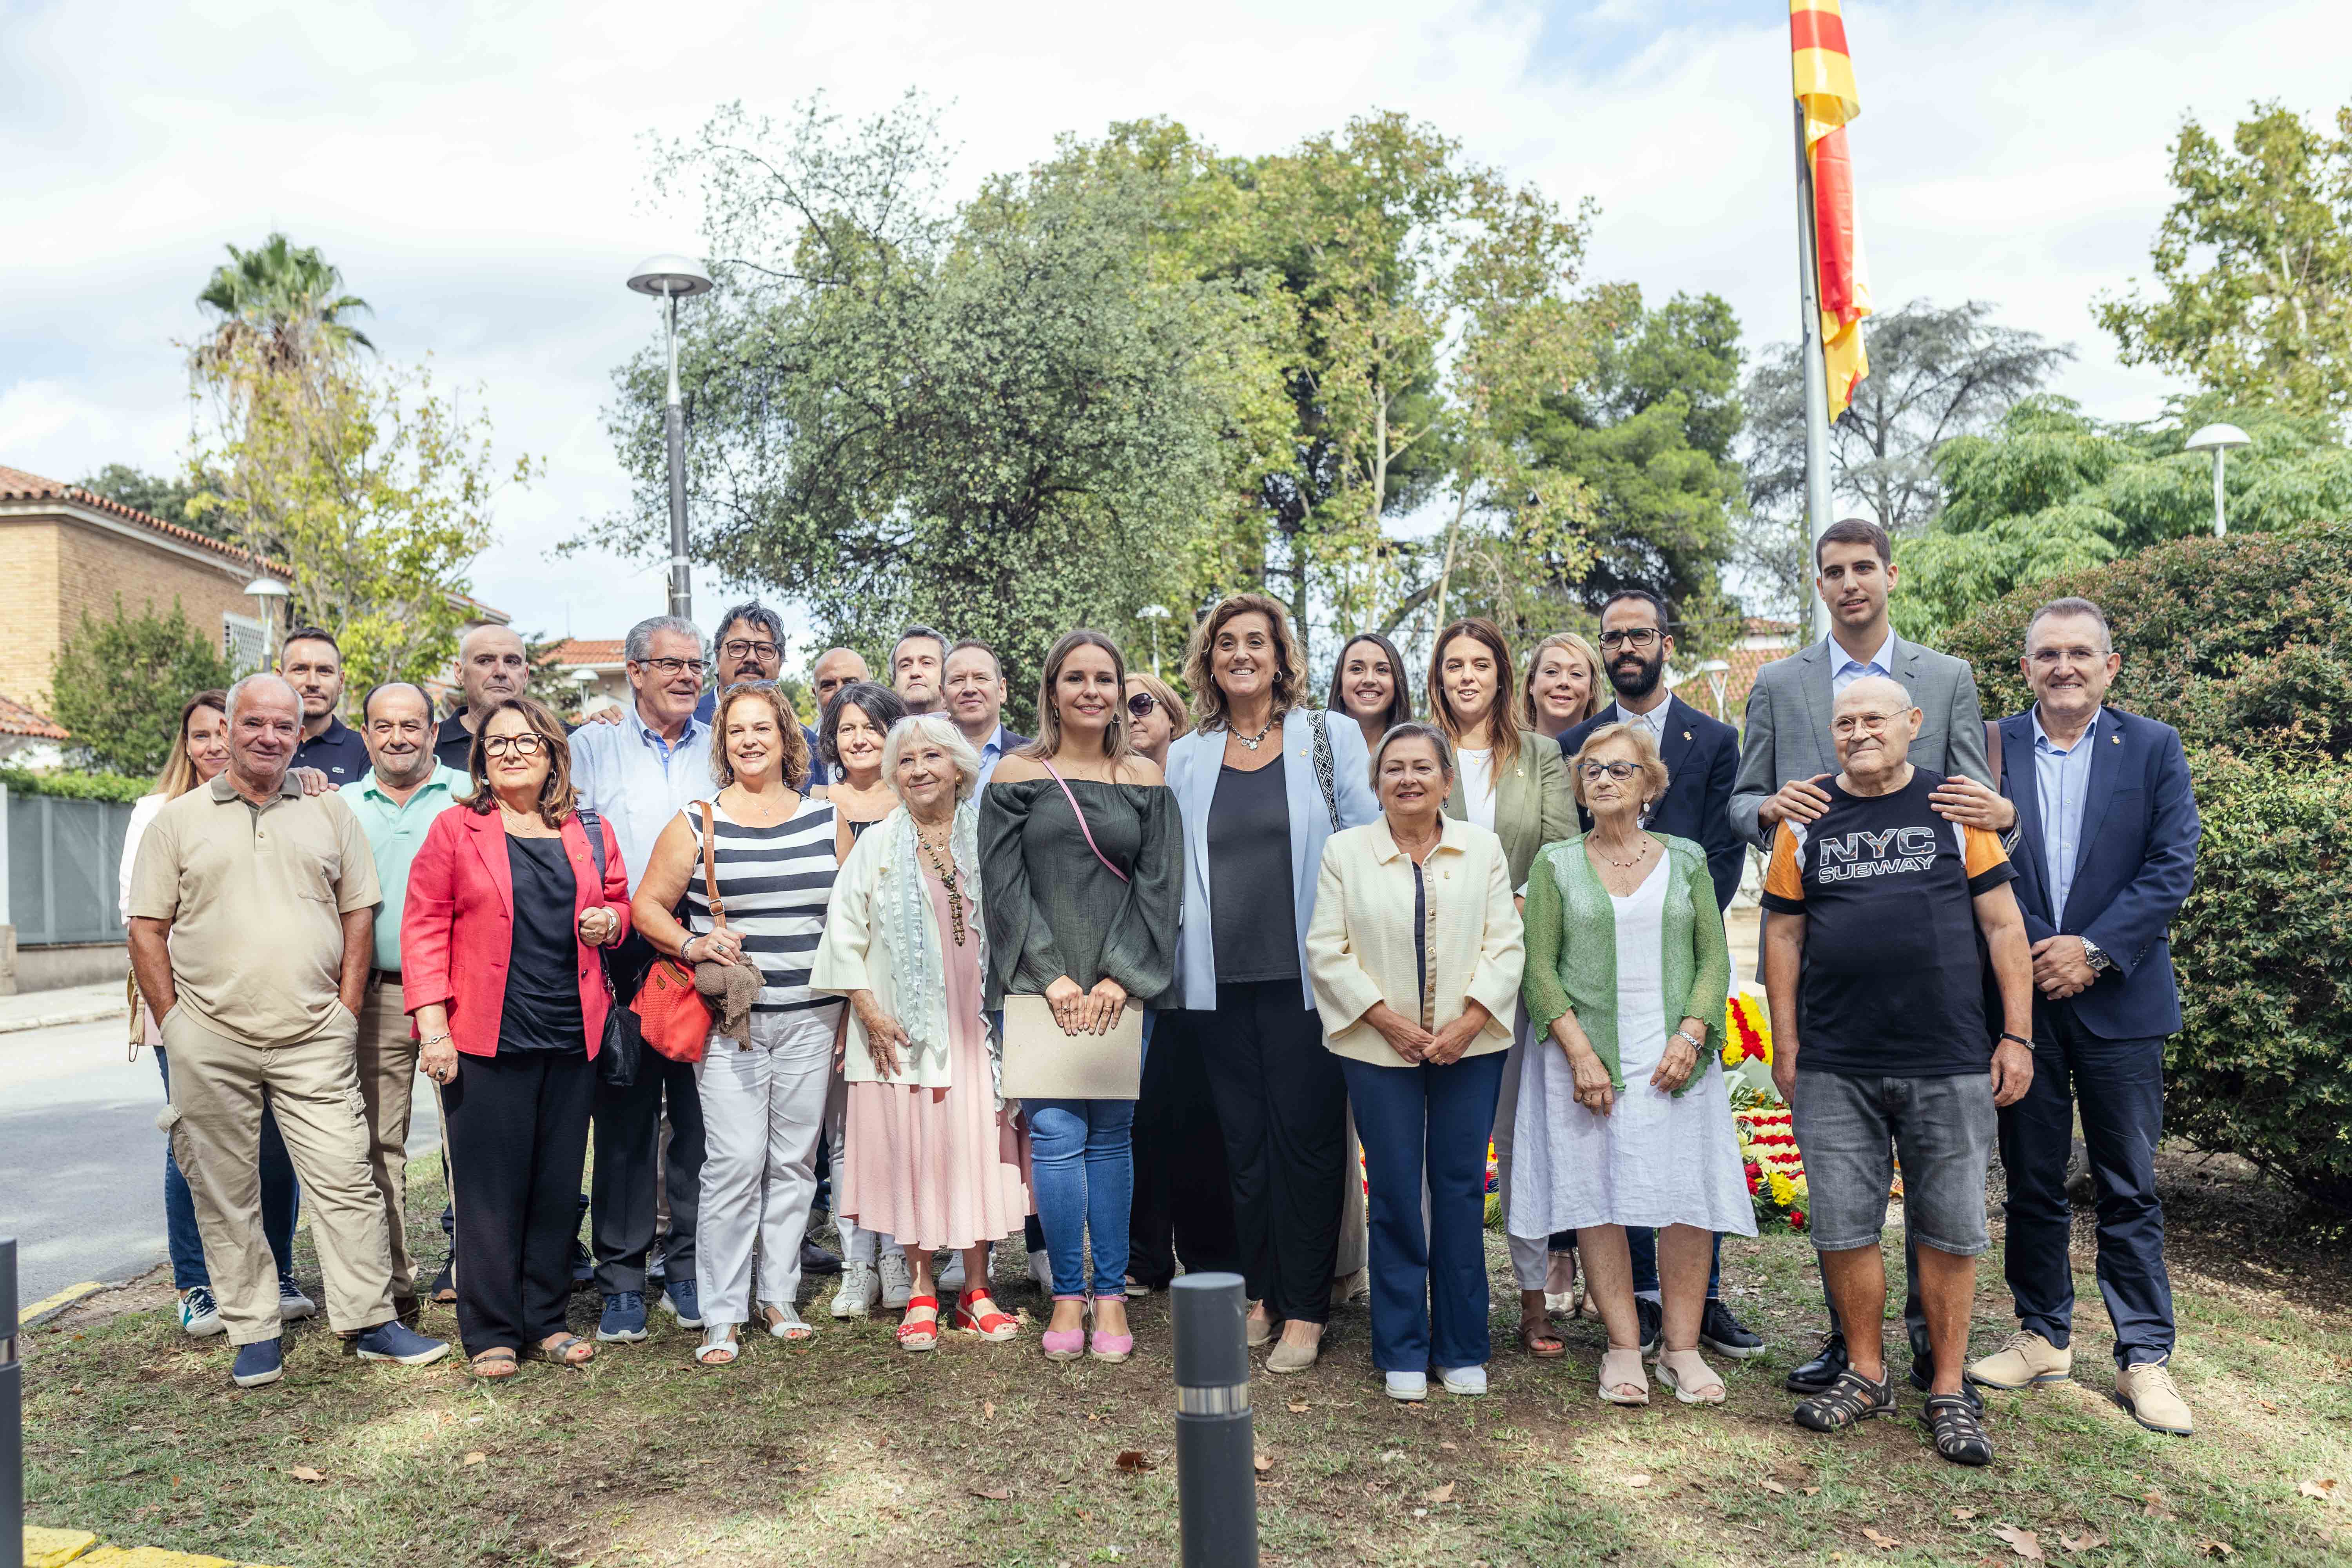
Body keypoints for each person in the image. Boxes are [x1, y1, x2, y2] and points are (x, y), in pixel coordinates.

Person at [1732, 517, 2013, 1399]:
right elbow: (1744, 800)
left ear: (1890, 574)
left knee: (1945, 1202)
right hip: (1829, 966)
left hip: (1937, 993)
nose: (1850, 583)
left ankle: (1941, 1359)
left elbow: (1980, 803)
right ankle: (1852, 1351)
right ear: (1818, 584)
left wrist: (2004, 820)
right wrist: (1769, 806)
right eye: (1833, 571)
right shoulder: (1781, 684)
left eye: (1863, 568)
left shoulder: (1947, 677)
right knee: (1845, 1199)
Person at [126, 673, 448, 1386]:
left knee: (347, 1177)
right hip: (209, 1037)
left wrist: (344, 1008)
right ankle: (253, 1329)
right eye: (254, 724)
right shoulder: (176, 823)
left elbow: (358, 914)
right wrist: (175, 1023)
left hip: (314, 1034)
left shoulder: (330, 814)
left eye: (283, 725)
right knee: (226, 1187)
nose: (268, 736)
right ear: (229, 728)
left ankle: (371, 1320)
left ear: (301, 735)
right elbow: (147, 929)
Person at [1760, 674, 2034, 1466]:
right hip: (1837, 1060)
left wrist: (2015, 1034)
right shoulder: (1807, 815)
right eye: (1842, 721)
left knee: (1949, 1229)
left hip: (1947, 1056)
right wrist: (1786, 1043)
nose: (1856, 732)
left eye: (1872, 718)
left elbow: (2002, 923)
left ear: (1913, 722)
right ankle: (1867, 1372)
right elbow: (1782, 937)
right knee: (1844, 1226)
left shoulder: (1953, 807)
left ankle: (1948, 1385)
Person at [1964, 599, 2201, 1437]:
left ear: (2111, 665)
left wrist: (2093, 950)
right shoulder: (1990, 747)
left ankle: (2144, 1357)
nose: (2064, 666)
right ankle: (2041, 1333)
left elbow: (2173, 864)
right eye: (2047, 654)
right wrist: (2039, 952)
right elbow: (1972, 860)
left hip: (2122, 1004)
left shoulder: (2153, 746)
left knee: (2128, 1185)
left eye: (2080, 653)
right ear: (2024, 667)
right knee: (2030, 1177)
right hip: (2023, 998)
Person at [1512, 722, 1755, 1406]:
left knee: (1686, 1197)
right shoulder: (1556, 863)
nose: (1605, 780)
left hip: (1674, 1052)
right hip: (1586, 1062)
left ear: (1650, 783)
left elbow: (1715, 957)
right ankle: (1623, 1347)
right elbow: (1539, 969)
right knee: (1599, 1196)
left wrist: (1692, 1032)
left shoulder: (1686, 859)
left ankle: (1680, 1349)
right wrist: (1580, 1052)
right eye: (1592, 770)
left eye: (1621, 769)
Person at [1166, 593, 1378, 1373]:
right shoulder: (1188, 753)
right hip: (1218, 980)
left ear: (1281, 654)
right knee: (1244, 1147)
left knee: (1309, 1143)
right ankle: (1260, 1292)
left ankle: (1307, 1308)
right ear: (1210, 660)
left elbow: (1362, 841)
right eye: (1227, 643)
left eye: (1257, 641)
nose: (1242, 654)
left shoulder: (1330, 735)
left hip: (1307, 976)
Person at [1554, 590, 1756, 1361]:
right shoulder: (1574, 740)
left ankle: (1701, 1305)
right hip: (1600, 967)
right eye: (1614, 636)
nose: (1627, 645)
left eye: (1640, 633)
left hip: (1680, 956)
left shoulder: (1715, 737)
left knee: (1684, 1136)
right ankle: (1631, 1310)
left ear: (1665, 641)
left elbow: (1724, 849)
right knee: (1613, 1134)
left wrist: (1686, 935)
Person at [402, 697, 628, 1376]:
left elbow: (617, 900)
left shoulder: (588, 829)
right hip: (483, 1037)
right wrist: (433, 1031)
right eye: (496, 744)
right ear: (480, 759)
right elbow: (423, 930)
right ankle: (493, 1330)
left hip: (571, 1033)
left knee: (557, 1185)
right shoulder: (455, 829)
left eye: (526, 741)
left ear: (552, 751)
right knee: (488, 1192)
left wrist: (609, 924)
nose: (511, 752)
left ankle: (547, 1319)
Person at [982, 630, 1181, 1363]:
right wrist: (1054, 978)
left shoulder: (1146, 780)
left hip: (1123, 988)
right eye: (1076, 679)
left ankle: (1110, 1296)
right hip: (1040, 988)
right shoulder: (1015, 772)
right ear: (1052, 690)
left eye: (1105, 679)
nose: (1092, 691)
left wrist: (1117, 977)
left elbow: (1162, 892)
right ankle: (1067, 1292)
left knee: (1113, 1137)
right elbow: (1001, 888)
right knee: (1059, 1140)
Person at [1307, 722, 1523, 1402]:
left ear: (1447, 781)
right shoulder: (1346, 853)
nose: (1408, 779)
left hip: (1471, 1045)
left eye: (1422, 767)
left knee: (1458, 1190)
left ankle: (1461, 1345)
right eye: (1393, 768)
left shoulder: (1481, 848)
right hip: (1378, 1048)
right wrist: (1389, 1023)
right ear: (1376, 784)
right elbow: (1326, 949)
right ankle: (1401, 1346)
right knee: (1396, 1191)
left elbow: (1505, 944)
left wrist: (1467, 1023)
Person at [630, 683, 844, 1362]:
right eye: (736, 731)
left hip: (815, 1017)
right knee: (732, 1162)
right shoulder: (698, 821)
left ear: (788, 738)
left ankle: (777, 1293)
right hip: (733, 1022)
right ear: (722, 744)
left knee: (793, 1161)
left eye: (763, 729)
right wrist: (691, 945)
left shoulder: (824, 817)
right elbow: (648, 908)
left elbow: (851, 916)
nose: (750, 740)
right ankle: (723, 1309)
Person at [812, 713, 1033, 1352]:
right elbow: (842, 932)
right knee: (915, 1153)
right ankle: (918, 1290)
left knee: (974, 1150)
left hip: (977, 1026)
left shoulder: (988, 836)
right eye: (906, 762)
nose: (919, 770)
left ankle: (976, 1291)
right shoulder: (878, 843)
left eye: (932, 757)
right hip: (902, 1031)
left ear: (959, 766)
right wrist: (867, 1008)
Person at [120, 690, 305, 1338]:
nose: (215, 745)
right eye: (201, 735)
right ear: (187, 744)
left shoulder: (283, 802)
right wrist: (171, 1016)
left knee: (275, 1142)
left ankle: (275, 1272)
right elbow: (139, 919)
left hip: (265, 1006)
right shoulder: (161, 815)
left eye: (227, 732)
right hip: (185, 1005)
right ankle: (197, 1285)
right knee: (193, 1143)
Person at [1426, 616, 1576, 1355]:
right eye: (1453, 664)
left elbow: (1553, 853)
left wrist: (1505, 919)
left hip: (1517, 967)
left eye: (1479, 664)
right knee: (1444, 1144)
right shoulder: (1420, 752)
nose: (1466, 677)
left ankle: (1532, 1299)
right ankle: (1440, 1292)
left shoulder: (1542, 754)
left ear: (1500, 675)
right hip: (1433, 972)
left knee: (1520, 1137)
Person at [568, 614, 716, 1342]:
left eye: (697, 665)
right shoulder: (590, 748)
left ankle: (686, 1270)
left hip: (703, 956)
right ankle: (623, 1278)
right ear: (634, 670)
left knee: (697, 1124)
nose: (689, 676)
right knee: (623, 1125)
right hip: (621, 955)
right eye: (672, 664)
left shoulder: (719, 748)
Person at [338, 681, 472, 1322]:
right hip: (378, 998)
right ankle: (394, 1282)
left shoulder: (470, 795)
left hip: (461, 995)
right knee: (378, 1147)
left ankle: (480, 1269)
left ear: (432, 732)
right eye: (384, 727)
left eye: (412, 726)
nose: (398, 738)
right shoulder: (338, 806)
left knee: (472, 1140)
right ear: (365, 734)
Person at [1122, 670, 1239, 1296]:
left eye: (1141, 704)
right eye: (1119, 709)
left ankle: (1211, 1255)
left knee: (1202, 1119)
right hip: (1131, 974)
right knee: (1140, 1121)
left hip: (1201, 969)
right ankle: (1145, 1258)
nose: (1130, 716)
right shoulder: (1110, 784)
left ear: (1171, 713)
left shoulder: (1202, 775)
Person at [811, 680, 919, 1316]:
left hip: (907, 985)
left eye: (872, 728)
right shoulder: (818, 804)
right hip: (841, 983)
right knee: (847, 1136)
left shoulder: (915, 801)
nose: (859, 739)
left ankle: (901, 1258)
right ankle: (859, 1262)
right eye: (848, 728)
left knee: (902, 1129)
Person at [693, 599, 820, 757]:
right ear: (718, 659)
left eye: (764, 649)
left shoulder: (810, 746)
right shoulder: (683, 726)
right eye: (739, 647)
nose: (752, 658)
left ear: (780, 664)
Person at [434, 624, 537, 770]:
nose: (500, 672)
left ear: (526, 674)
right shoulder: (428, 748)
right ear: (459, 673)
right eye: (485, 661)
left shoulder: (561, 739)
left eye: (511, 662)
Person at [279, 626, 371, 784]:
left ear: (341, 682)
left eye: (325, 671)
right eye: (300, 670)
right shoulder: (262, 745)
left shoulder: (366, 752)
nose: (312, 683)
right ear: (280, 678)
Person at [944, 639, 1031, 788]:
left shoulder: (1035, 758)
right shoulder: (926, 761)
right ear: (942, 695)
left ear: (1002, 690)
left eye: (981, 678)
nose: (969, 689)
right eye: (958, 680)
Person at [1327, 632, 1415, 756]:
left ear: (1397, 684)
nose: (1369, 680)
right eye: (1357, 669)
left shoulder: (1418, 752)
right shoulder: (1310, 748)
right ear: (1340, 685)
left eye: (1382, 670)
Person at [1521, 631, 1606, 743]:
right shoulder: (1503, 753)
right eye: (1552, 671)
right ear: (1531, 683)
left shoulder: (1610, 757)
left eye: (1576, 674)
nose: (1564, 682)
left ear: (1592, 689)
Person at [806, 646, 872, 786]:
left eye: (850, 683)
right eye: (829, 685)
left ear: (871, 687)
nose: (840, 693)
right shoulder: (798, 749)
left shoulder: (894, 745)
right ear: (815, 694)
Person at [891, 626, 948, 716]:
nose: (915, 673)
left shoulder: (971, 728)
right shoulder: (881, 729)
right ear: (895, 679)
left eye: (927, 663)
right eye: (905, 665)